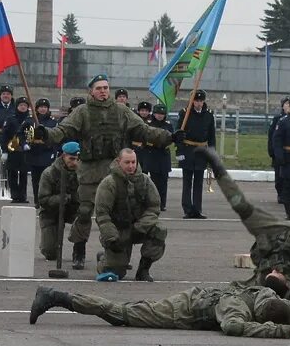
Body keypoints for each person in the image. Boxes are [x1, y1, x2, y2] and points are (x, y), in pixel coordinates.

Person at [30, 74, 177, 233]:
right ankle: (79, 247)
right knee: (84, 212)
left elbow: (144, 131)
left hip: (115, 170)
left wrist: (169, 137)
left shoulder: (122, 111)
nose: (103, 91)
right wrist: (45, 134)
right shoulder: (82, 112)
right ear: (91, 91)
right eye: (99, 88)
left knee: (119, 213)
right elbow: (63, 130)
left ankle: (114, 248)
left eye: (105, 88)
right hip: (90, 170)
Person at [204, 147, 290, 306]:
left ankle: (218, 167)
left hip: (270, 234)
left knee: (241, 206)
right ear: (287, 283)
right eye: (277, 273)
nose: (275, 270)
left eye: (272, 273)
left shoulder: (257, 284)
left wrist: (217, 169)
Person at [28, 283, 290, 338]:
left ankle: (57, 297)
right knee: (120, 314)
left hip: (195, 301)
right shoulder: (237, 308)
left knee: (121, 314)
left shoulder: (268, 295)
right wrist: (281, 332)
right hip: (180, 311)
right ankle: (56, 296)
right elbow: (233, 327)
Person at [93, 148, 166, 281]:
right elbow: (102, 214)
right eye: (127, 162)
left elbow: (154, 207)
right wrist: (111, 237)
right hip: (118, 232)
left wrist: (140, 227)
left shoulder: (145, 181)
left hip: (139, 228)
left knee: (159, 230)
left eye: (133, 162)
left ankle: (143, 270)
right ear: (118, 162)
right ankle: (104, 258)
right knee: (116, 274)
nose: (131, 166)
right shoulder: (109, 183)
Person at [36, 141, 89, 267]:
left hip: (74, 209)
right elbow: (43, 199)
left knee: (84, 215)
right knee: (50, 253)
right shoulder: (49, 173)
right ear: (63, 156)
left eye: (77, 159)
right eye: (71, 159)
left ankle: (79, 253)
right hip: (52, 211)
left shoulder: (82, 173)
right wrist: (62, 198)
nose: (74, 163)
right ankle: (49, 243)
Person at [176, 88, 216, 218]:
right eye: (196, 100)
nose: (198, 103)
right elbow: (179, 134)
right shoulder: (185, 113)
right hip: (188, 150)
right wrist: (179, 150)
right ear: (192, 101)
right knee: (187, 181)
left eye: (200, 101)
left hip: (201, 152)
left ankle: (197, 209)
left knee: (198, 182)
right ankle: (187, 209)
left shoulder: (209, 115)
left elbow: (211, 136)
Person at [1, 97, 34, 203]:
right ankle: (15, 195)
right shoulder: (11, 119)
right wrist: (5, 150)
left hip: (25, 150)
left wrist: (28, 144)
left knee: (24, 174)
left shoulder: (30, 120)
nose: (23, 107)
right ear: (17, 106)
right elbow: (5, 136)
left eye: (25, 105)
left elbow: (31, 134)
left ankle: (22, 196)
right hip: (13, 147)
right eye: (21, 105)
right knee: (13, 173)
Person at [26, 98, 58, 200]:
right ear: (37, 109)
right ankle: (37, 199)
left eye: (45, 107)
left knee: (47, 179)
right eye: (41, 107)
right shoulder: (30, 121)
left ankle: (45, 199)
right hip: (34, 153)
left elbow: (56, 137)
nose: (43, 109)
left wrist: (54, 150)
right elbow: (24, 134)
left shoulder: (53, 122)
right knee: (35, 179)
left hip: (47, 153)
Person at [145, 103, 173, 211]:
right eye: (158, 113)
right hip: (152, 154)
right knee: (152, 182)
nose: (160, 116)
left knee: (163, 181)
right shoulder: (149, 124)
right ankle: (152, 203)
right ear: (154, 114)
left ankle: (162, 203)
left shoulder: (168, 125)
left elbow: (171, 137)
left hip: (164, 155)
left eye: (162, 114)